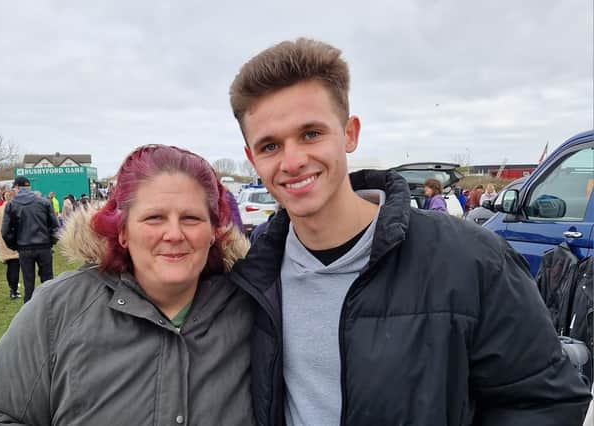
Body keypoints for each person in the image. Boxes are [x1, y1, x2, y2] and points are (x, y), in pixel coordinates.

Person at [228, 38, 591, 425]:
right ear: (252, 158)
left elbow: (544, 401)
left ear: (350, 133)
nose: (293, 160)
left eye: (311, 134)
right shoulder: (254, 273)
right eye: (270, 146)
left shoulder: (471, 260)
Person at [0, 145, 255, 425]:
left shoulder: (252, 309)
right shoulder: (57, 309)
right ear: (123, 232)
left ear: (214, 231)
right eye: (154, 218)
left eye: (191, 218)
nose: (174, 233)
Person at [1, 176, 59, 303]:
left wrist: (15, 245)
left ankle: (29, 313)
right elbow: (55, 226)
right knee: (48, 281)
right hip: (43, 246)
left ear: (16, 188)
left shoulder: (12, 205)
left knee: (28, 284)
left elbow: (5, 231)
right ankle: (50, 308)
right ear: (29, 187)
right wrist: (50, 242)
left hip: (25, 247)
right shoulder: (44, 202)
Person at [0, 189, 21, 299]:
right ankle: (13, 290)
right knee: (14, 265)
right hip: (12, 241)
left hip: (1, 240)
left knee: (10, 265)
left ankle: (12, 288)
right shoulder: (14, 209)